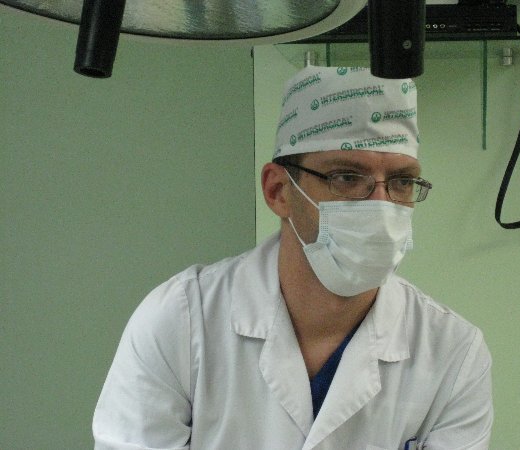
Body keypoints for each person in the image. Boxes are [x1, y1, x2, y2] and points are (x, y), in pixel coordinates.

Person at [93, 66, 493, 450]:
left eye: (402, 182)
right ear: (278, 191)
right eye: (347, 177)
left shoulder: (453, 353)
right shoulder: (181, 321)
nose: (381, 205)